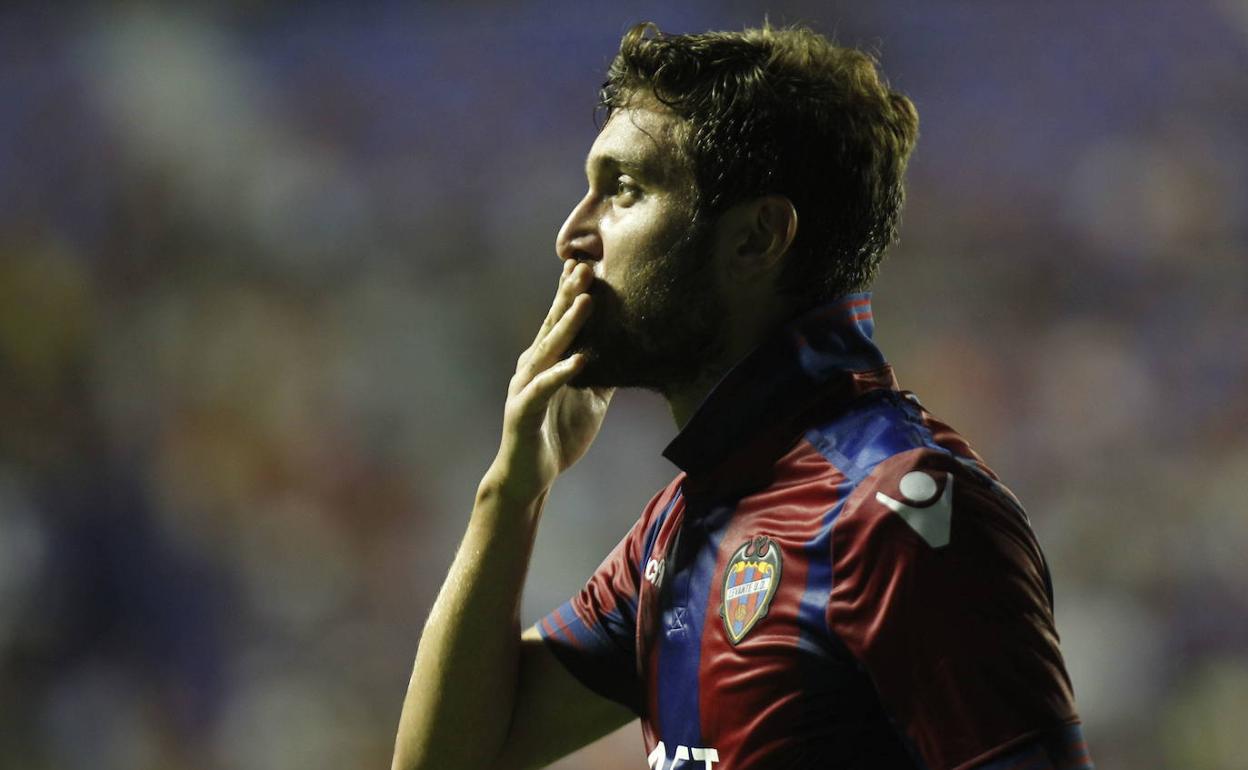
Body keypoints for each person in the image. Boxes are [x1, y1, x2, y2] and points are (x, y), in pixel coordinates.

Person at [392, 21, 1093, 770]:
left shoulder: (893, 518)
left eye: (625, 190)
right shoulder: (680, 528)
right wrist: (513, 488)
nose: (572, 234)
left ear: (757, 238)